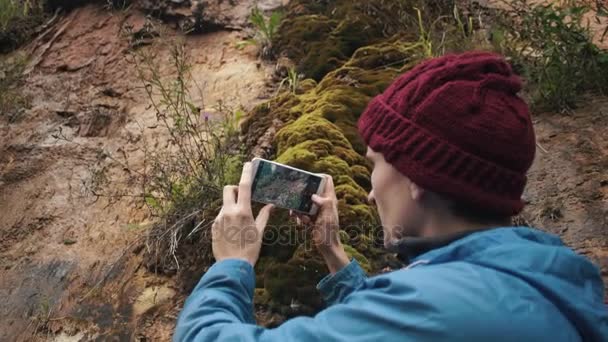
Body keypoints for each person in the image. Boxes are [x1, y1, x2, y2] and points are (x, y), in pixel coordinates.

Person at [173, 52, 608, 341]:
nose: (369, 193)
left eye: (375, 165)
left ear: (416, 178)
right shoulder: (547, 275)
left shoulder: (439, 309)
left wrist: (232, 264)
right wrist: (336, 257)